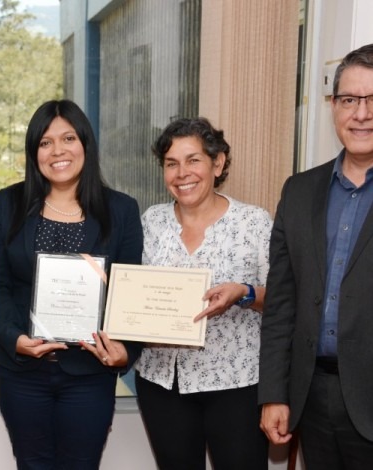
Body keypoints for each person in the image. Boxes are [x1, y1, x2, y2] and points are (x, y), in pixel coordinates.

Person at [0, 99, 143, 469]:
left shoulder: (121, 210)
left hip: (89, 372)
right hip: (22, 370)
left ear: (85, 143)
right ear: (34, 151)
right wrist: (13, 339)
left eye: (68, 138)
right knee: (31, 463)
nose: (58, 151)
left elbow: (129, 292)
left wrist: (126, 351)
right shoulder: (8, 203)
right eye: (45, 142)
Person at [259, 43, 373, 469]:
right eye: (349, 100)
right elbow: (282, 304)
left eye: (372, 99)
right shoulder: (299, 190)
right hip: (312, 397)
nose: (361, 114)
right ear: (333, 105)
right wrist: (274, 393)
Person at [135, 117, 273, 470]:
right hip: (163, 381)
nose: (182, 173)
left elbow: (283, 301)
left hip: (236, 383)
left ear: (218, 163)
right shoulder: (151, 221)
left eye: (193, 160)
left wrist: (243, 293)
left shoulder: (254, 223)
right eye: (171, 163)